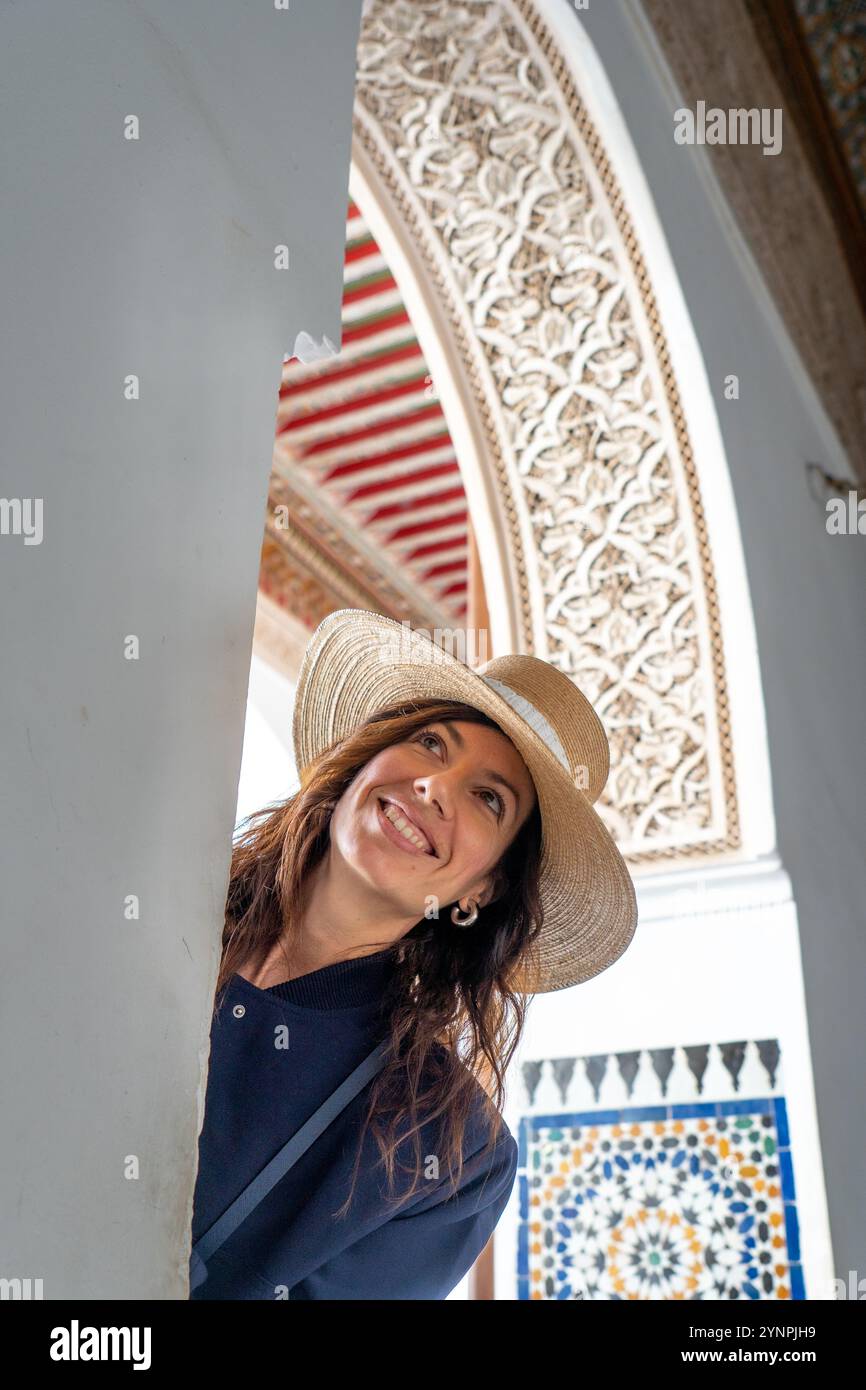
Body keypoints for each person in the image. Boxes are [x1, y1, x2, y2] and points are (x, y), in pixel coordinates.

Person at [188, 609, 638, 1299]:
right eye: (431, 742)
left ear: (482, 890)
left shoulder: (451, 1153)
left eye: (488, 798)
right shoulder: (160, 898)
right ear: (364, 761)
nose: (434, 785)